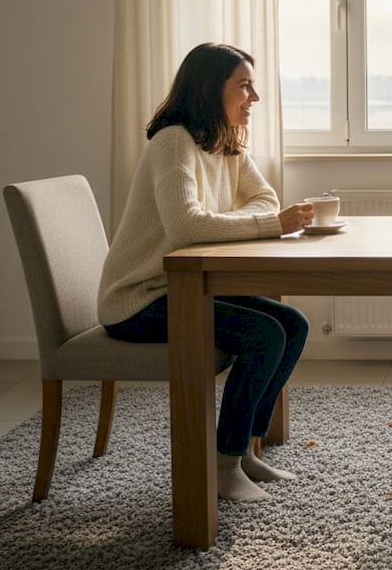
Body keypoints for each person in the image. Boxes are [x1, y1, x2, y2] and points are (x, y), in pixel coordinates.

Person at [98, 42, 314, 501]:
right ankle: (221, 466)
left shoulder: (226, 141)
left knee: (291, 324)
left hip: (181, 290)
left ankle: (245, 450)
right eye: (243, 86)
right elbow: (184, 226)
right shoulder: (173, 141)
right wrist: (269, 226)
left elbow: (265, 199)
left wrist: (258, 220)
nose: (253, 98)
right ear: (208, 90)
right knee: (265, 334)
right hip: (140, 299)